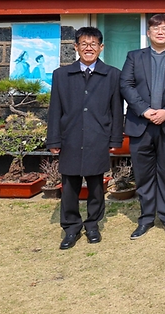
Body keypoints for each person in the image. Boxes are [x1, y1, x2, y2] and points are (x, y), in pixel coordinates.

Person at [46, 27, 124, 250]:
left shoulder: (112, 74)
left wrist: (115, 140)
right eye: (84, 44)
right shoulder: (61, 75)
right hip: (69, 137)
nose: (88, 48)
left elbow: (116, 109)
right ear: (76, 47)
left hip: (98, 137)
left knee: (96, 185)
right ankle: (71, 228)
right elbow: (55, 110)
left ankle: (92, 225)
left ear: (101, 48)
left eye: (93, 44)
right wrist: (53, 140)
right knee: (69, 186)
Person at [120, 14, 165, 239]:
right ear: (149, 33)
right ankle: (146, 219)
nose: (160, 32)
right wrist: (144, 110)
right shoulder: (134, 56)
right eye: (155, 28)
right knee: (143, 175)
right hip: (140, 124)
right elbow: (126, 84)